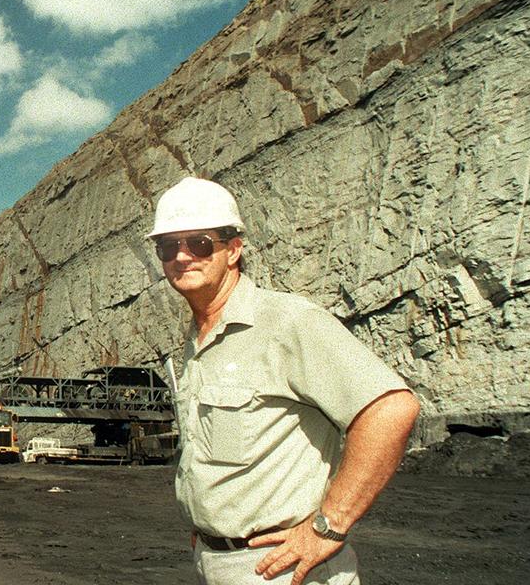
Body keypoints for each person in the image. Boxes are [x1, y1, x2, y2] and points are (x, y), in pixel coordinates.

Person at [149, 177, 420, 585]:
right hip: (216, 562)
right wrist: (210, 526)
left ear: (234, 249)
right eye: (169, 246)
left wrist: (329, 526)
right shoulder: (197, 340)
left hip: (286, 569)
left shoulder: (288, 322)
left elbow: (391, 408)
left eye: (199, 243)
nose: (183, 256)